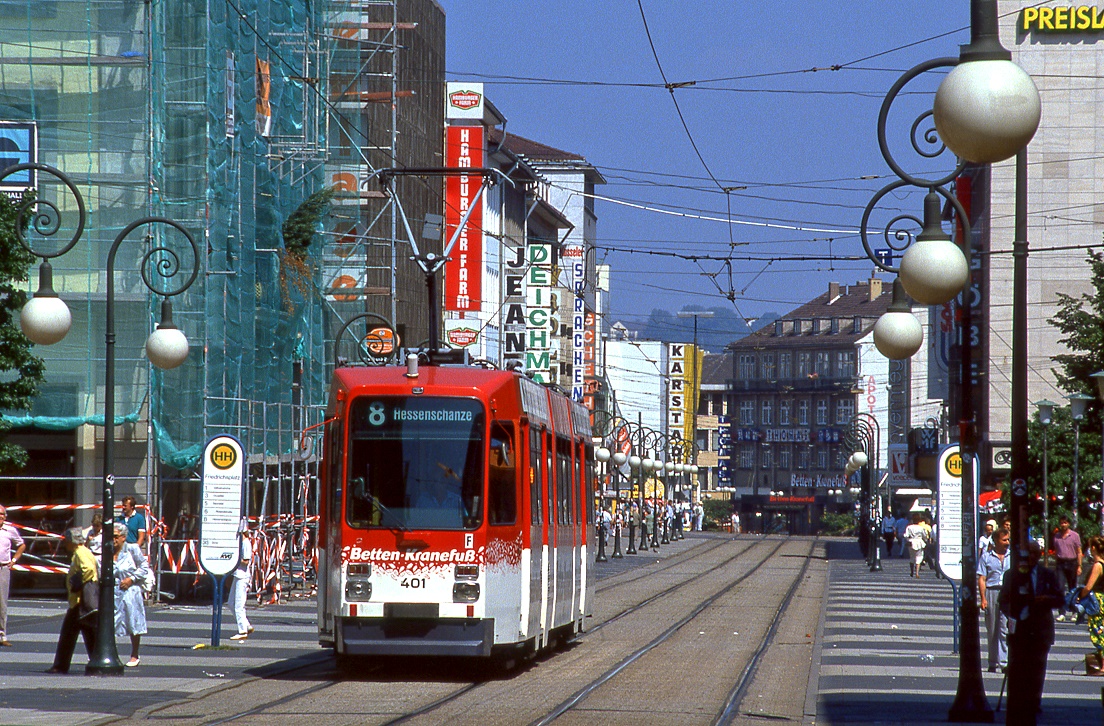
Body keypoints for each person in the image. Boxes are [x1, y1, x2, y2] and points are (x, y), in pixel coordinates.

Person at [999, 539, 1064, 724]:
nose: (1032, 557)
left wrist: (1046, 600)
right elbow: (1003, 601)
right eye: (1029, 554)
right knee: (1020, 668)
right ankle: (1020, 700)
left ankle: (1034, 701)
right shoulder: (1012, 575)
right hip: (1020, 629)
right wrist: (1014, 615)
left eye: (1036, 554)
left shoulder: (1047, 575)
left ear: (1040, 555)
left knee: (1038, 668)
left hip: (1041, 629)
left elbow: (1060, 600)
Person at [46, 528, 98, 674]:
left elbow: (88, 569)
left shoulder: (80, 553)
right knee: (88, 633)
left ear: (71, 542)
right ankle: (94, 661)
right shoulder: (84, 551)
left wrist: (77, 583)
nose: (65, 545)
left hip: (79, 601)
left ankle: (60, 665)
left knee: (68, 634)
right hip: (80, 602)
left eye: (66, 541)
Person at [111, 523, 148, 667]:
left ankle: (135, 654)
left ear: (123, 537)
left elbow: (144, 567)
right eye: (111, 536)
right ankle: (110, 652)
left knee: (133, 621)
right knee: (110, 622)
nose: (113, 540)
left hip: (130, 590)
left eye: (115, 536)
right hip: (113, 591)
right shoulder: (107, 551)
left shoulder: (132, 549)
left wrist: (132, 579)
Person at [978, 527, 1011, 673]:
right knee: (992, 629)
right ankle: (992, 662)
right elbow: (982, 578)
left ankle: (1003, 662)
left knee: (1004, 629)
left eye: (1008, 539)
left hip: (1007, 593)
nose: (1007, 542)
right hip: (992, 592)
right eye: (1004, 540)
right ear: (996, 541)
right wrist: (983, 598)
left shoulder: (1012, 556)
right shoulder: (986, 556)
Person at [0, 505, 25, 646]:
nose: (0, 516)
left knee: (2, 603)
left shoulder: (10, 530)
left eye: (2, 514)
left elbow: (21, 544)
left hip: (3, 568)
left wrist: (14, 560)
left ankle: (2, 635)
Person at [1079, 535, 1104, 675]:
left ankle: (1103, 665)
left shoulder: (1097, 565)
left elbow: (1088, 587)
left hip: (1097, 601)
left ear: (1093, 548)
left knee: (1098, 632)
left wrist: (1079, 596)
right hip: (1103, 600)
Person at [1052, 515, 1082, 622]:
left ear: (1068, 523)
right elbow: (1056, 551)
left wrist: (1079, 566)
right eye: (1061, 523)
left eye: (1065, 523)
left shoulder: (1074, 536)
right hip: (1061, 563)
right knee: (1060, 588)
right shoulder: (1056, 537)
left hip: (1072, 563)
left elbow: (1079, 551)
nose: (1063, 525)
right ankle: (1062, 612)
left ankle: (1074, 611)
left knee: (1072, 588)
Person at [228, 524, 254, 641]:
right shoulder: (240, 543)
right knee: (230, 602)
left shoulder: (246, 543)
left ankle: (242, 630)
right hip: (237, 575)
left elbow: (246, 561)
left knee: (239, 605)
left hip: (242, 576)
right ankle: (246, 625)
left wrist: (236, 559)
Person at [903, 513, 929, 578]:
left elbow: (906, 535)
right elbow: (925, 536)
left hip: (911, 542)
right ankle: (917, 572)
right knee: (919, 557)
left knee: (912, 557)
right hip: (919, 542)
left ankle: (911, 571)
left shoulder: (909, 527)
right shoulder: (921, 528)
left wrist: (908, 539)